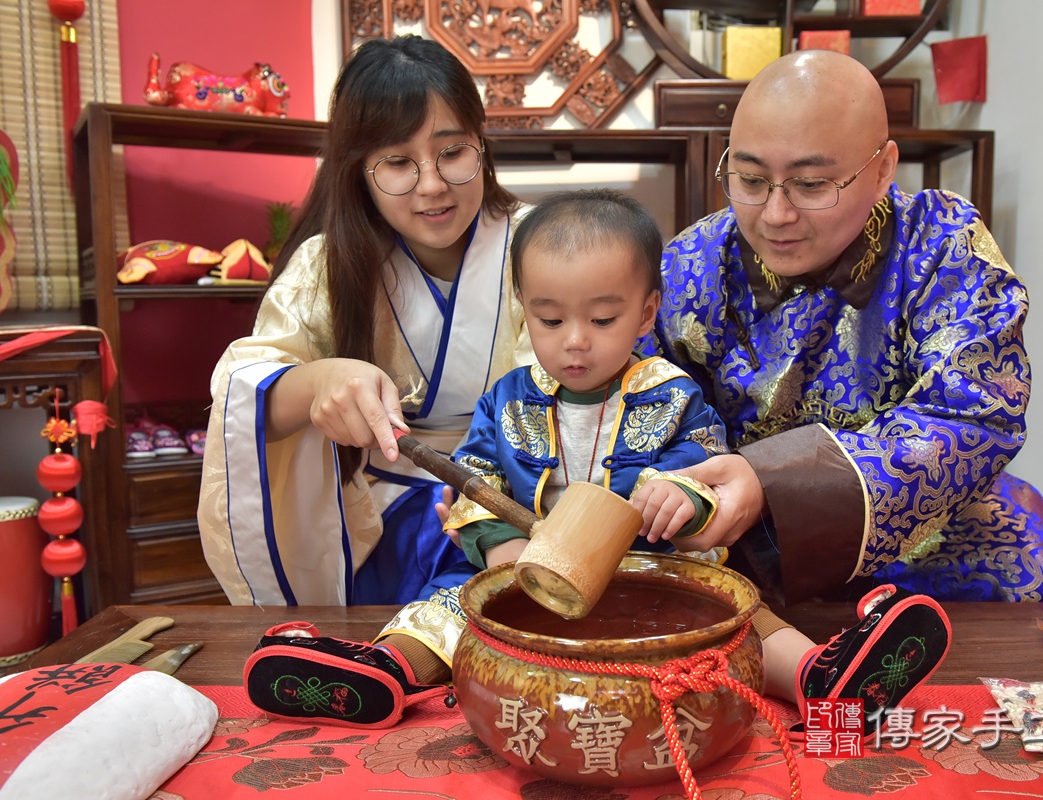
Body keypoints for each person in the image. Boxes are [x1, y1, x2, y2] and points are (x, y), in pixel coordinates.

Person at [241, 190, 953, 739]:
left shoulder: (672, 397)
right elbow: (471, 481)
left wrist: (685, 503)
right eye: (550, 321)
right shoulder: (508, 399)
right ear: (525, 312)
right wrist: (503, 546)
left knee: (738, 617)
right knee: (449, 607)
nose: (574, 342)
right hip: (522, 572)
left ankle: (820, 677)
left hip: (646, 569)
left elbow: (703, 471)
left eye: (602, 320)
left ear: (646, 314)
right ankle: (383, 672)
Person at [640, 49, 1043, 604]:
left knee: (1042, 597)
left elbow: (972, 415)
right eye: (751, 179)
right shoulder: (691, 264)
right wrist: (694, 484)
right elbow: (644, 403)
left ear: (882, 170)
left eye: (810, 185)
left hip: (926, 531)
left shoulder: (942, 245)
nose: (776, 214)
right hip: (738, 537)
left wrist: (773, 479)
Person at [197, 35, 533, 607]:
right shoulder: (329, 264)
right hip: (382, 524)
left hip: (522, 507)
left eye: (452, 153)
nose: (431, 185)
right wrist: (318, 384)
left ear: (482, 145)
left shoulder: (543, 245)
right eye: (398, 162)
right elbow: (245, 393)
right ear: (359, 169)